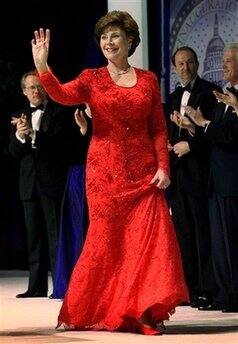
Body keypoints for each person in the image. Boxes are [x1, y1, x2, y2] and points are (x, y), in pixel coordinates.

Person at [31, 11, 189, 335]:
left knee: (148, 243)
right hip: (104, 173)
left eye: (115, 35)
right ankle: (97, 308)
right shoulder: (91, 78)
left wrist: (163, 166)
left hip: (145, 174)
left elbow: (158, 129)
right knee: (107, 242)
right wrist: (43, 67)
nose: (108, 42)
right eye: (104, 37)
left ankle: (142, 312)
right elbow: (61, 94)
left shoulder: (147, 80)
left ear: (130, 40)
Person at [9, 71, 75, 298]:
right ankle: (35, 287)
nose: (36, 91)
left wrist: (34, 135)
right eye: (31, 88)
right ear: (24, 91)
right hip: (29, 185)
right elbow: (13, 152)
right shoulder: (18, 116)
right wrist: (20, 135)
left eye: (39, 86)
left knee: (55, 235)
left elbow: (62, 147)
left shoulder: (58, 112)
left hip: (52, 182)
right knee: (34, 237)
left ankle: (60, 285)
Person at [183, 43, 238, 312]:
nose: (224, 64)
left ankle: (234, 294)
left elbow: (230, 136)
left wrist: (205, 124)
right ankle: (224, 293)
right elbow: (216, 136)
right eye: (224, 59)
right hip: (216, 180)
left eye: (230, 60)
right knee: (219, 241)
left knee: (232, 240)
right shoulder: (224, 97)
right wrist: (195, 125)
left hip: (233, 182)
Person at [168, 46, 220, 308]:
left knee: (203, 235)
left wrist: (191, 144)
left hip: (200, 176)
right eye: (180, 64)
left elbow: (215, 135)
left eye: (189, 63)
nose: (185, 68)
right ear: (174, 67)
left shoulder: (209, 93)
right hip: (177, 178)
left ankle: (207, 289)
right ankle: (189, 289)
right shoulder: (173, 96)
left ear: (197, 63)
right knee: (184, 236)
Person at [53, 104, 92, 299]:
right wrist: (84, 129)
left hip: (109, 177)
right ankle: (79, 284)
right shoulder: (71, 114)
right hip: (80, 176)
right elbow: (64, 150)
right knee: (79, 229)